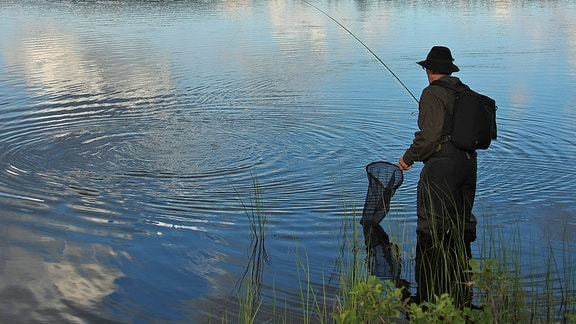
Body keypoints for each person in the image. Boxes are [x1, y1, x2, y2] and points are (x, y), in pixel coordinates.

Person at [398, 46, 477, 308]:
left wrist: (408, 158)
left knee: (430, 226)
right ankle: (463, 288)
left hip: (441, 167)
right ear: (450, 70)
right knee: (461, 222)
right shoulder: (463, 91)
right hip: (468, 164)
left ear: (429, 70)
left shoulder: (432, 93)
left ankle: (430, 285)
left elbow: (430, 136)